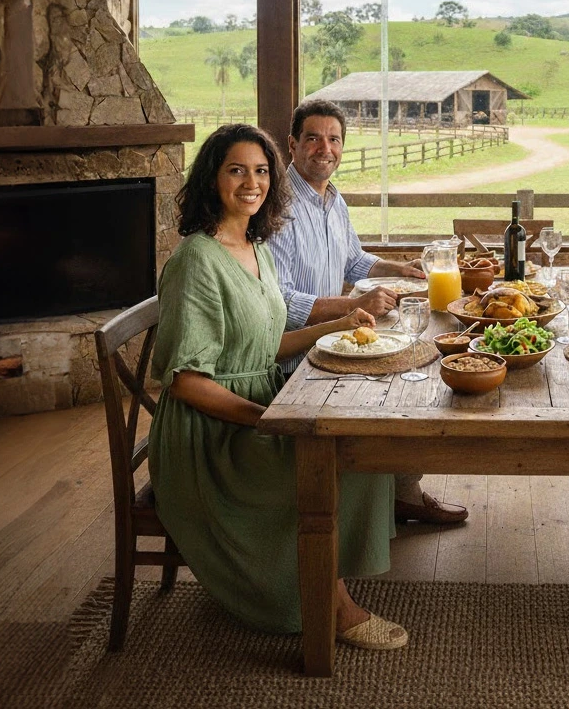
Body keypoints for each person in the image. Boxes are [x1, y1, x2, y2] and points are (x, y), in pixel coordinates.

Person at [149, 124, 407, 650]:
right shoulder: (196, 262)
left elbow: (267, 344)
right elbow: (186, 384)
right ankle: (332, 607)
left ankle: (314, 577)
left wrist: (337, 326)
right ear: (211, 178)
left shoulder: (253, 244)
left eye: (261, 170)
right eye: (236, 170)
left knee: (364, 452)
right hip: (211, 438)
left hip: (261, 401)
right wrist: (265, 419)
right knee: (336, 462)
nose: (252, 182)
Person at [268, 98, 468, 526]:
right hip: (295, 362)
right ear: (292, 144)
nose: (326, 148)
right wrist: (353, 305)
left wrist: (401, 268)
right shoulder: (277, 209)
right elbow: (280, 304)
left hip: (333, 340)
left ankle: (397, 488)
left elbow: (353, 261)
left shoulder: (330, 199)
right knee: (409, 379)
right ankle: (390, 496)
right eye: (314, 138)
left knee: (418, 363)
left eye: (334, 139)